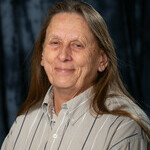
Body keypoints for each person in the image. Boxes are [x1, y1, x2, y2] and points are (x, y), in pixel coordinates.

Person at [1, 1, 150, 150]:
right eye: (55, 43)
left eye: (77, 45)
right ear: (42, 55)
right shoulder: (23, 124)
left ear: (102, 60)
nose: (63, 55)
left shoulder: (123, 131)